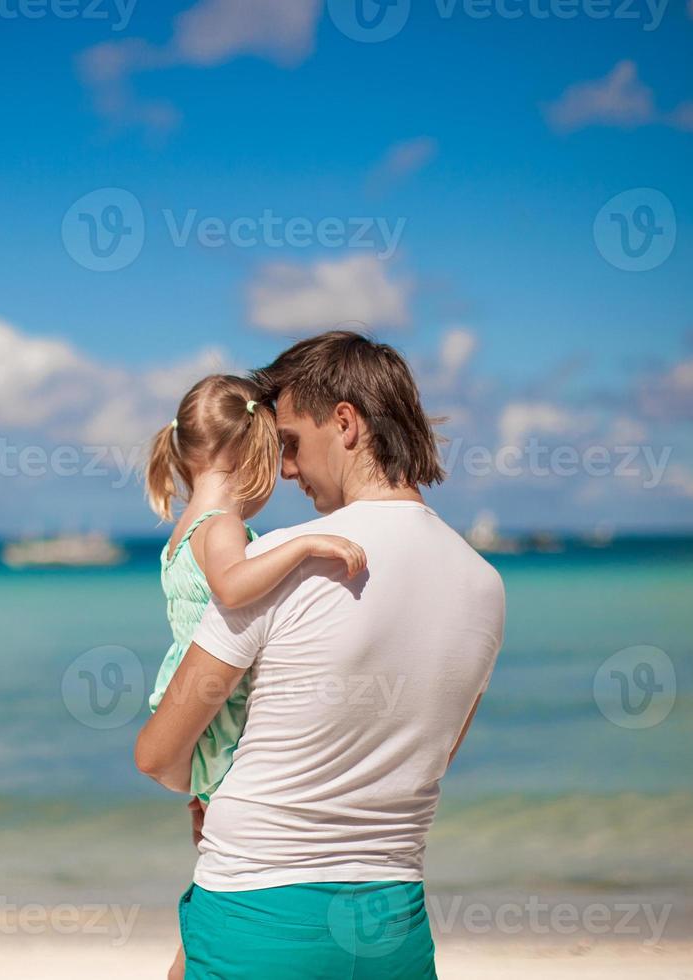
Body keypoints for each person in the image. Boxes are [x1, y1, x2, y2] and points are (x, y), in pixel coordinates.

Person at [135, 332, 506, 979]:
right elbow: (429, 759)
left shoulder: (283, 556)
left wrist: (199, 787)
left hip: (257, 921)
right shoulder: (484, 585)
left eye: (290, 444)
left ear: (345, 423)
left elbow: (158, 754)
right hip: (392, 929)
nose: (282, 470)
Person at [143, 372, 367, 979]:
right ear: (250, 455)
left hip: (198, 708)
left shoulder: (182, 530)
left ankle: (193, 959)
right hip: (221, 711)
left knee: (216, 864)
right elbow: (233, 587)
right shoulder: (222, 528)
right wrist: (302, 546)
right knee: (233, 863)